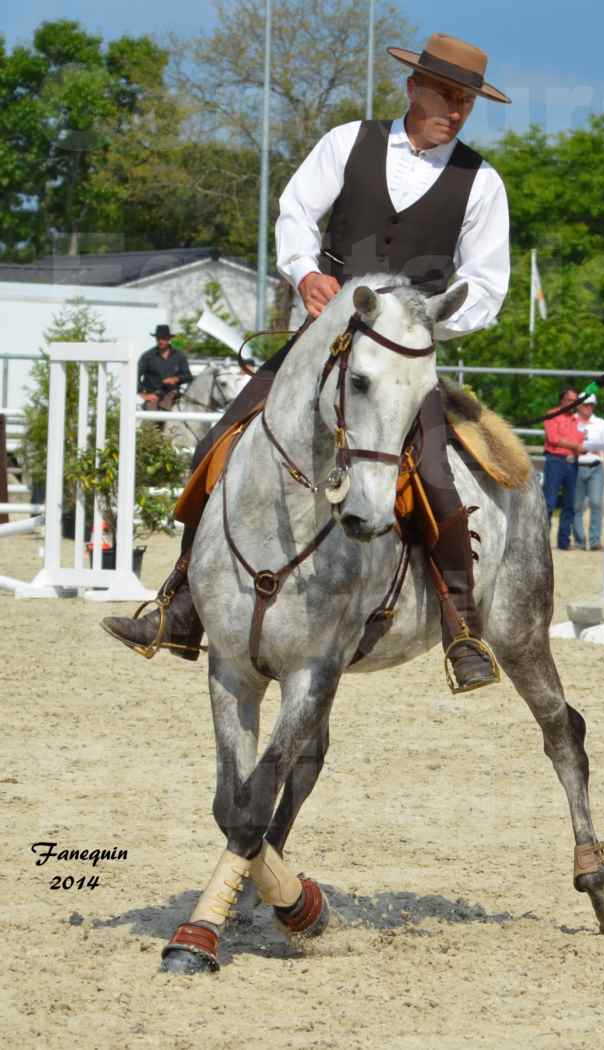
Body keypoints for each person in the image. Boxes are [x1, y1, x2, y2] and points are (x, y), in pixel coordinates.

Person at [102, 33, 512, 693]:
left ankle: (462, 629)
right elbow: (295, 212)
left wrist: (426, 322)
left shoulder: (481, 182)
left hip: (403, 360)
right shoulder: (348, 142)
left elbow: (488, 287)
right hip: (320, 342)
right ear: (414, 88)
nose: (456, 111)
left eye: (466, 101)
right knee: (220, 442)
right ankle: (178, 607)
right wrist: (302, 274)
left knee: (437, 476)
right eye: (447, 95)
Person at [542, 386, 585, 551]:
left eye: (575, 401)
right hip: (555, 460)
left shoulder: (576, 419)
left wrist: (583, 447)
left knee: (570, 503)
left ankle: (563, 541)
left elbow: (581, 440)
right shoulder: (552, 414)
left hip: (572, 461)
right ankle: (543, 540)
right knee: (549, 502)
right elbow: (553, 438)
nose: (573, 403)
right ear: (562, 400)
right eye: (570, 400)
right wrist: (575, 445)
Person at [573, 393, 604, 551]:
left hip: (596, 466)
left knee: (596, 503)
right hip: (575, 467)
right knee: (577, 506)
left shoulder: (601, 423)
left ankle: (595, 541)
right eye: (586, 404)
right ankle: (580, 540)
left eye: (591, 405)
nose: (588, 407)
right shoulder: (571, 421)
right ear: (579, 405)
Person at [137, 325, 193, 411]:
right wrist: (143, 395)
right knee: (151, 419)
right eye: (158, 338)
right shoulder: (147, 357)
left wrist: (176, 379)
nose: (160, 341)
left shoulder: (179, 356)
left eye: (163, 338)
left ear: (169, 339)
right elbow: (134, 376)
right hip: (153, 397)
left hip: (174, 396)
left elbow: (188, 376)